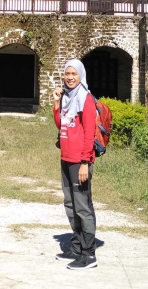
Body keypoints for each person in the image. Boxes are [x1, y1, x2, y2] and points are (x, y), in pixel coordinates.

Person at [53, 59, 98, 270]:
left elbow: (89, 134)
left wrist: (84, 163)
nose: (70, 77)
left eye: (74, 74)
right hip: (66, 157)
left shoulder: (85, 99)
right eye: (67, 73)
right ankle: (76, 247)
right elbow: (62, 124)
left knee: (82, 206)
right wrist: (55, 104)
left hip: (79, 160)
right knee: (70, 205)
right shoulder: (67, 98)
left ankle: (89, 255)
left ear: (81, 76)